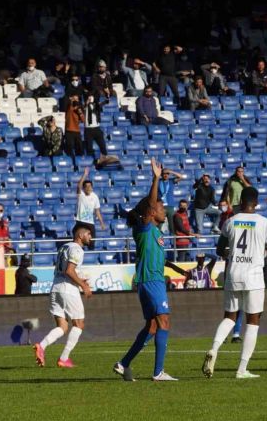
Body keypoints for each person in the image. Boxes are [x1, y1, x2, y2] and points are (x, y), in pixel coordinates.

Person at [202, 187, 267, 379]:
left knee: (230, 317)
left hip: (233, 274)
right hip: (254, 277)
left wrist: (232, 254)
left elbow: (220, 249)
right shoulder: (266, 223)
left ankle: (214, 348)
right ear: (256, 203)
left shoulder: (230, 221)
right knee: (253, 321)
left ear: (241, 201)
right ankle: (242, 369)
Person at [113, 158, 178, 382]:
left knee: (151, 327)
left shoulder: (157, 234)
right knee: (165, 321)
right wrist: (156, 178)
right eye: (160, 207)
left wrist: (180, 270)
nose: (163, 209)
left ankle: (123, 364)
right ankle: (158, 372)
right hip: (150, 281)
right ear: (149, 213)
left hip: (151, 281)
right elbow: (151, 205)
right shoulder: (143, 228)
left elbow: (161, 260)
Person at [33, 227, 93, 368]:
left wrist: (80, 281)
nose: (91, 237)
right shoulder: (77, 249)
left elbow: (66, 270)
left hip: (55, 289)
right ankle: (64, 358)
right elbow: (69, 271)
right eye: (88, 234)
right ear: (80, 235)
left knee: (63, 326)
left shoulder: (64, 247)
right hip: (67, 290)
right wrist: (83, 286)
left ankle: (41, 346)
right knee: (79, 324)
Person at [72, 167, 106, 245]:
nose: (88, 188)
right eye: (86, 186)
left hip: (90, 222)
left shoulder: (95, 196)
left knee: (91, 241)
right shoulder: (81, 195)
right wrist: (85, 175)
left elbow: (97, 211)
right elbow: (78, 186)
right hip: (80, 221)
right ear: (84, 188)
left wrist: (102, 223)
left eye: (90, 186)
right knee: (78, 239)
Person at [82, 94, 118, 166]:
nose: (90, 100)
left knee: (102, 145)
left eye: (91, 98)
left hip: (97, 128)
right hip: (88, 129)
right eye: (89, 98)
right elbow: (83, 107)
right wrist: (87, 102)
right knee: (89, 147)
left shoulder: (96, 106)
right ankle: (91, 162)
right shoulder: (85, 107)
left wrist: (107, 98)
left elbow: (104, 102)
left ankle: (104, 159)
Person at [158, 168, 183, 234]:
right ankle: (158, 241)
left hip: (170, 206)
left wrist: (171, 171)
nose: (165, 175)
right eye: (164, 173)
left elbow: (181, 177)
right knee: (159, 225)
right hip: (160, 206)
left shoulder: (171, 181)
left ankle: (173, 241)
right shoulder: (158, 181)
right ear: (161, 174)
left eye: (167, 173)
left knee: (172, 225)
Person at [65, 93, 84, 159]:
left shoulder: (79, 109)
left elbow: (83, 120)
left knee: (80, 149)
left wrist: (79, 111)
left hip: (76, 131)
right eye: (74, 99)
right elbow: (67, 105)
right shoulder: (68, 107)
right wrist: (71, 101)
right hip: (69, 131)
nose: (75, 101)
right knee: (70, 149)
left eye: (76, 99)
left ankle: (80, 162)